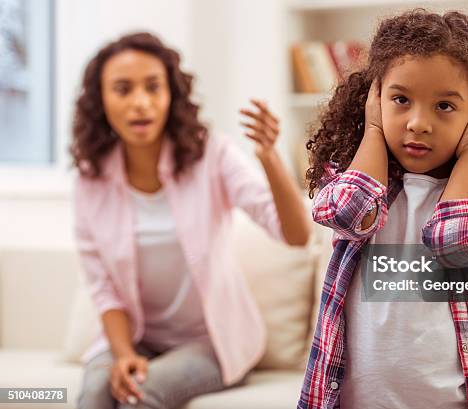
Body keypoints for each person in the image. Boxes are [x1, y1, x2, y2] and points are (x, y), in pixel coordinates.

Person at [299, 9, 468, 409]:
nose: (418, 123)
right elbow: (346, 214)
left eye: (445, 107)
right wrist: (372, 131)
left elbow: (457, 244)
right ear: (374, 97)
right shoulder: (353, 178)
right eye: (400, 99)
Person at [71, 32, 310, 409]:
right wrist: (122, 354)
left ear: (171, 94)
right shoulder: (91, 179)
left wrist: (269, 157)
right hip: (137, 339)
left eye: (153, 87)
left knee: (140, 395)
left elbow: (295, 235)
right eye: (123, 89)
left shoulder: (210, 154)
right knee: (94, 395)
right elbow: (103, 287)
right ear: (101, 101)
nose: (141, 103)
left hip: (211, 342)